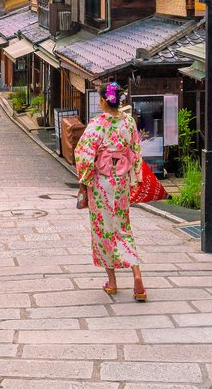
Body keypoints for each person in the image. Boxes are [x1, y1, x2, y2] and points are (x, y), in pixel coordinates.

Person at [74, 82, 147, 301]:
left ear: (104, 101)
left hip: (101, 183)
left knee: (103, 230)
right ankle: (137, 278)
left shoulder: (98, 123)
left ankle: (112, 282)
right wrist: (134, 178)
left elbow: (83, 153)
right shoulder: (129, 122)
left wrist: (84, 180)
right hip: (121, 182)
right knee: (123, 227)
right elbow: (135, 151)